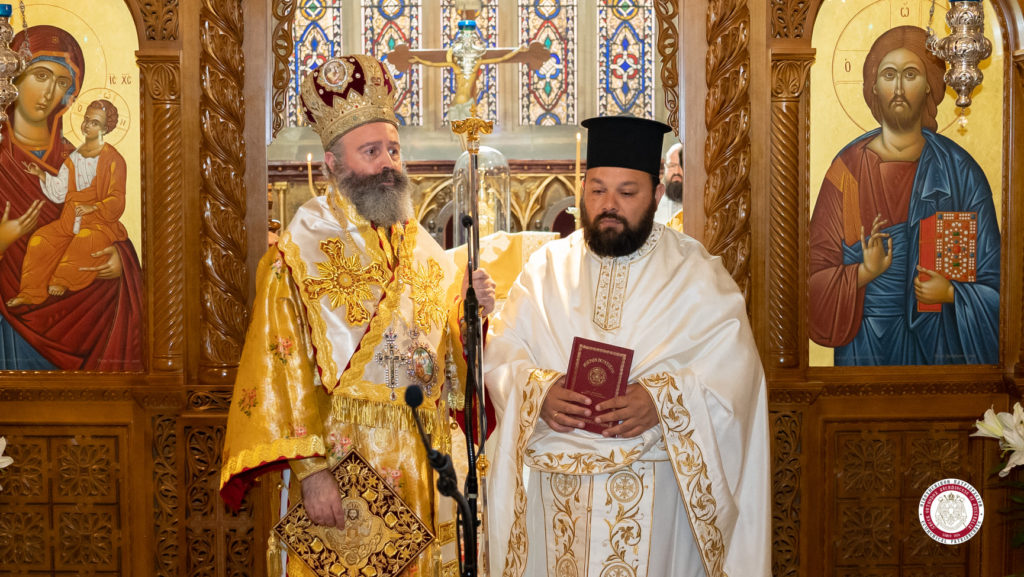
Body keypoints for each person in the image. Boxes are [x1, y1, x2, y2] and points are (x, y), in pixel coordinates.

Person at [219, 54, 496, 577]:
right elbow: (283, 368)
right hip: (345, 460)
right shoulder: (297, 252)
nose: (389, 163)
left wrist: (470, 314)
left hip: (424, 459)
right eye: (371, 152)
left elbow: (447, 368)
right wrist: (312, 474)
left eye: (393, 149)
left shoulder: (421, 246)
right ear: (333, 163)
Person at [484, 116, 769, 577]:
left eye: (627, 192)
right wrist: (539, 392)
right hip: (556, 497)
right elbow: (502, 352)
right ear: (582, 190)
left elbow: (735, 376)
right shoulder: (545, 270)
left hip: (656, 494)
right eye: (597, 190)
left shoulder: (695, 273)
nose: (609, 205)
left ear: (656, 194)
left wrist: (662, 401)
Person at [809, 25, 1000, 365]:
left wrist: (952, 293)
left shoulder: (961, 172)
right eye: (888, 75)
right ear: (873, 87)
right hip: (863, 350)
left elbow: (999, 285)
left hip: (940, 350)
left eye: (910, 74)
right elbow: (810, 280)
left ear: (929, 85)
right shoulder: (846, 172)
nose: (898, 88)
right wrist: (863, 273)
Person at [0, 25, 142, 371]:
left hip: (81, 319)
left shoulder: (76, 157)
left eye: (62, 82)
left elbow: (114, 214)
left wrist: (120, 263)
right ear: (12, 77)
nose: (49, 92)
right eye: (40, 75)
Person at [9, 100, 129, 306]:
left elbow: (117, 198)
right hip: (69, 221)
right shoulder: (74, 158)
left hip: (99, 223)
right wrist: (41, 175)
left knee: (85, 239)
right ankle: (30, 292)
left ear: (105, 128)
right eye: (86, 120)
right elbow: (60, 192)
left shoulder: (113, 159)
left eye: (95, 123)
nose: (87, 125)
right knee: (40, 239)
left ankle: (62, 280)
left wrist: (95, 207)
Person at [654, 141, 684, 231]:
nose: (676, 171)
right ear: (665, 167)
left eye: (681, 166)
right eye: (672, 166)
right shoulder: (654, 203)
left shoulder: (696, 205)